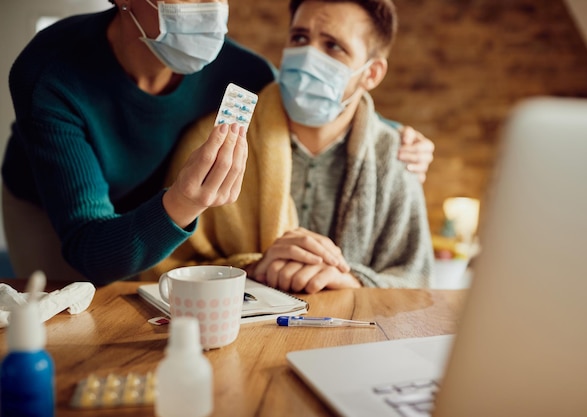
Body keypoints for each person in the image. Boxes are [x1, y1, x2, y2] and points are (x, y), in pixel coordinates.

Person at [1, 0, 433, 285]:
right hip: (61, 211)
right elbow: (89, 248)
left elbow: (301, 101)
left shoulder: (242, 73)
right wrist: (184, 202)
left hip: (167, 201)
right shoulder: (49, 74)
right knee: (64, 316)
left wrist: (394, 134)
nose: (208, 8)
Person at [143, 0, 434, 293]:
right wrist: (256, 269)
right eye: (299, 38)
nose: (308, 56)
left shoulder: (397, 156)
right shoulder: (214, 141)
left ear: (372, 73)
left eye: (333, 46)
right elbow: (161, 270)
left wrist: (350, 281)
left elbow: (416, 280)